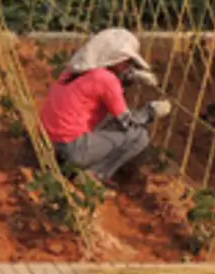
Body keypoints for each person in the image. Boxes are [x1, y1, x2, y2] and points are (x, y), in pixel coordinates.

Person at [39, 28, 172, 181]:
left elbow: (96, 85)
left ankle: (77, 166)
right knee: (138, 136)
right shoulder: (107, 80)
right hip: (72, 149)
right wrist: (151, 112)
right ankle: (94, 175)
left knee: (109, 119)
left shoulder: (74, 70)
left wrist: (132, 77)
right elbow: (127, 122)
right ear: (114, 58)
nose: (128, 66)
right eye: (127, 62)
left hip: (49, 141)